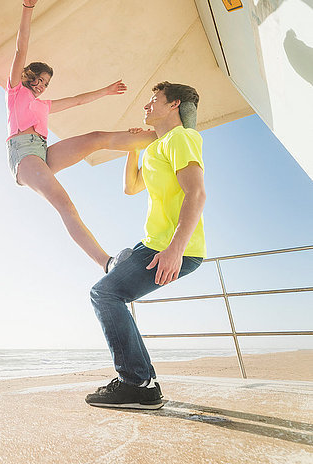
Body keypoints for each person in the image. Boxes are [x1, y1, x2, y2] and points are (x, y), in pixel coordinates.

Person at [7, 0, 156, 270]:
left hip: (42, 151)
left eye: (45, 83)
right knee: (65, 203)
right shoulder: (14, 91)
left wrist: (107, 90)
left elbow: (76, 100)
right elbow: (20, 49)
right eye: (37, 79)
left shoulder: (44, 106)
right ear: (27, 76)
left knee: (96, 137)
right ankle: (107, 262)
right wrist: (28, 8)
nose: (40, 85)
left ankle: (157, 135)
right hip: (24, 156)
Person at [85, 81, 206, 410]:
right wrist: (133, 147)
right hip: (151, 243)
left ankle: (137, 383)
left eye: (154, 100)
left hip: (173, 247)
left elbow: (196, 193)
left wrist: (176, 248)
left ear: (173, 105)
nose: (147, 105)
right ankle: (143, 383)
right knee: (108, 293)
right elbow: (130, 187)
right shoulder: (157, 147)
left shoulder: (182, 138)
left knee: (106, 293)